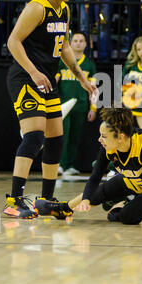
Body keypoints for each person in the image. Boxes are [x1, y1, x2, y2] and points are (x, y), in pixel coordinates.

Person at [4, 0, 97, 219]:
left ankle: (46, 200)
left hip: (47, 80)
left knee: (56, 139)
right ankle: (13, 199)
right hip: (25, 78)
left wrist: (80, 77)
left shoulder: (64, 9)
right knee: (34, 137)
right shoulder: (37, 8)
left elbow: (64, 46)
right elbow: (13, 41)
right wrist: (34, 72)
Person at [34, 106, 142, 229]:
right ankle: (64, 208)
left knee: (127, 217)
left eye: (104, 136)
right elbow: (95, 177)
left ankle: (122, 205)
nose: (99, 139)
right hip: (137, 179)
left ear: (120, 137)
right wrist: (86, 199)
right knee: (101, 190)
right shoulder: (108, 146)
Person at [56, 32, 97, 176]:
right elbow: (55, 81)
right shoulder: (62, 61)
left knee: (75, 136)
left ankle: (70, 165)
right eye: (75, 40)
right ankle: (60, 165)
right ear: (70, 43)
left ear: (86, 44)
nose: (78, 43)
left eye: (81, 40)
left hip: (81, 106)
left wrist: (93, 108)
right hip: (63, 105)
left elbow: (94, 89)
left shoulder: (89, 64)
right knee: (63, 136)